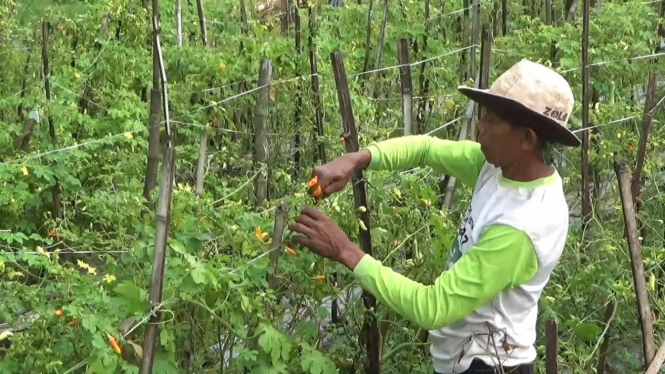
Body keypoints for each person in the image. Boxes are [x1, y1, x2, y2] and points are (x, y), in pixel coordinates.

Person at [288, 59, 580, 374]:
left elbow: (432, 307)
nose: (479, 127)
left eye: (492, 120)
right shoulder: (500, 168)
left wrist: (344, 250)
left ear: (526, 138)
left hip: (489, 365)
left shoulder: (521, 227)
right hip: (465, 356)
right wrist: (355, 159)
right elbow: (427, 149)